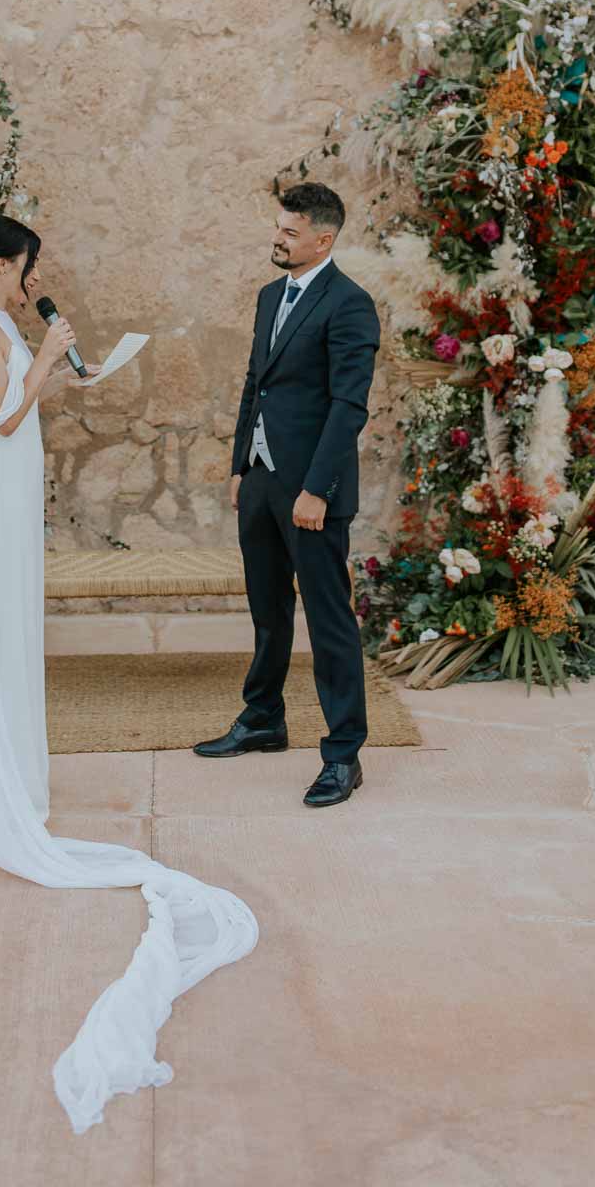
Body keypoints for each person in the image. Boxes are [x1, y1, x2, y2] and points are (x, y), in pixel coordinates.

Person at [0, 214, 257, 1133]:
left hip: (15, 485)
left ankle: (13, 761)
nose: (30, 282)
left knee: (15, 629)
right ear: (3, 266)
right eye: (25, 270)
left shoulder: (6, 327)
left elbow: (30, 401)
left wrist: (63, 360)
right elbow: (5, 415)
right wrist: (50, 355)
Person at [194, 182, 382, 808]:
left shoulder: (351, 305)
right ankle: (263, 719)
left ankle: (342, 755)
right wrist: (241, 464)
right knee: (268, 610)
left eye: (291, 231)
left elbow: (348, 406)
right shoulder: (270, 295)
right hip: (261, 482)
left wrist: (317, 490)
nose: (278, 238)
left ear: (323, 239)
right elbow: (258, 382)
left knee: (328, 622)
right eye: (278, 227)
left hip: (311, 493)